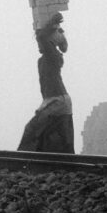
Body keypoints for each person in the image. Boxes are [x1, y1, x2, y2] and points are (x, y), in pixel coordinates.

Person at [18, 12, 75, 153]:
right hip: (54, 101)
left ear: (50, 42)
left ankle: (24, 161)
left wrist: (51, 23)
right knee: (53, 138)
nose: (39, 44)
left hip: (58, 101)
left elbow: (42, 36)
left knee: (32, 130)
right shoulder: (43, 59)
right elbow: (41, 37)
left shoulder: (54, 56)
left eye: (41, 43)